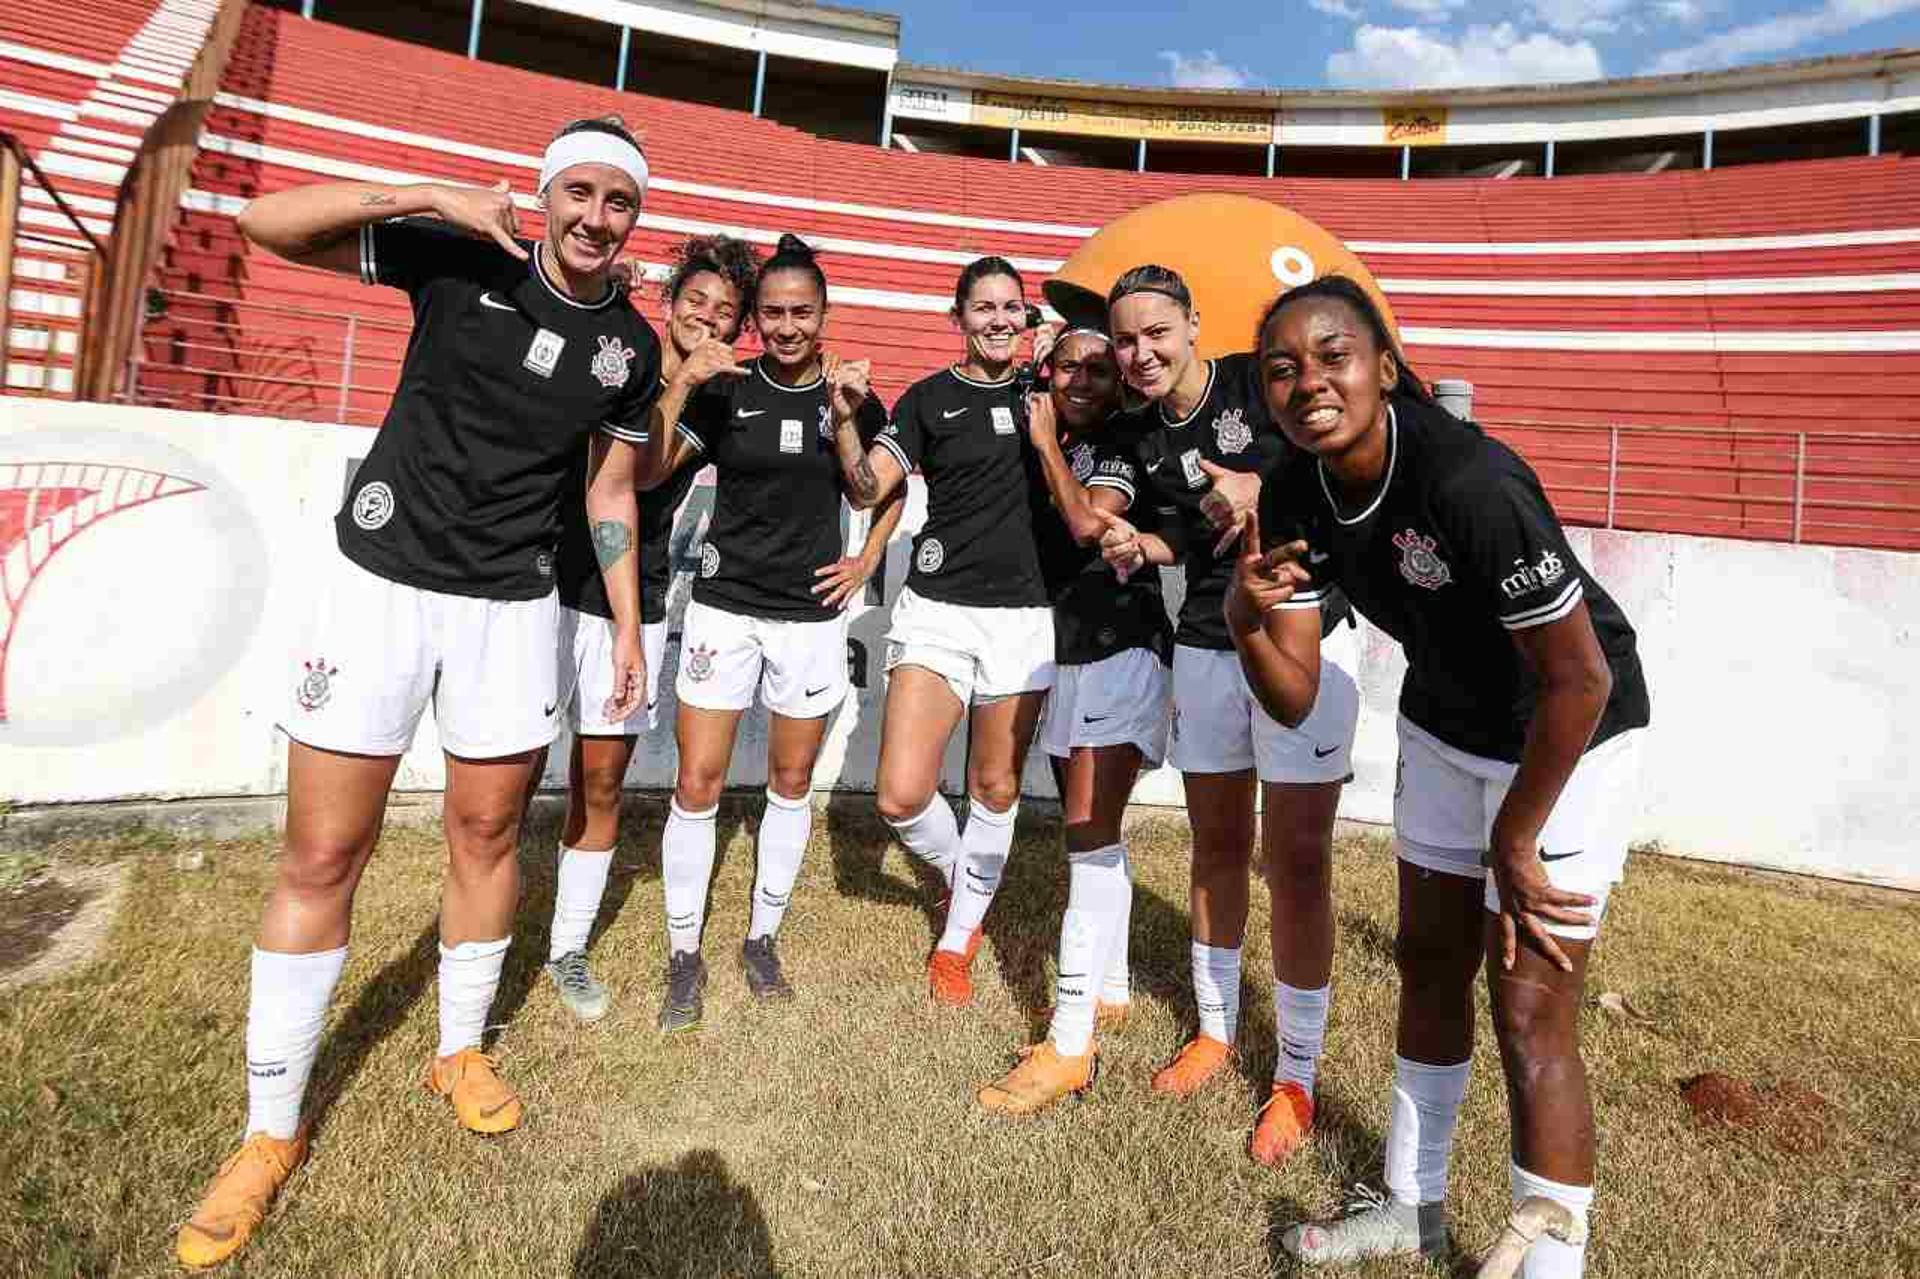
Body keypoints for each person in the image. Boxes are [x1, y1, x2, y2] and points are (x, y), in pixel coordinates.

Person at [176, 117, 660, 1269]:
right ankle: (268, 1130)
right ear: (545, 193)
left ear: (638, 216)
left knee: (488, 832)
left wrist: (631, 624)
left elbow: (611, 491)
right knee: (321, 855)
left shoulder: (631, 349)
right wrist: (429, 192)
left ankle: (457, 1048)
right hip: (377, 587)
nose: (597, 218)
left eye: (620, 202)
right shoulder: (459, 258)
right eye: (579, 192)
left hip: (509, 607)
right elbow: (261, 224)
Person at [1232, 275, 1650, 1275]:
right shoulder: (1293, 488)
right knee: (1427, 962)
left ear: (1385, 365)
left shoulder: (1469, 481)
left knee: (1530, 1005)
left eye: (1333, 356)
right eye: (1283, 368)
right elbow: (1291, 697)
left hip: (1570, 734)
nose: (1309, 383)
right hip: (1445, 724)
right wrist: (1244, 616)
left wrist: (1516, 833)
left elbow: (1579, 675)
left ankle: (1550, 1267)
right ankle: (1410, 1209)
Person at [1095, 264, 1360, 1167]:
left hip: (1301, 623)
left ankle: (1295, 1073)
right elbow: (1184, 531)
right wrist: (1145, 540)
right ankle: (1214, 1030)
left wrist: (1257, 483)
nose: (1141, 355)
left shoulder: (1261, 376)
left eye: (1157, 333)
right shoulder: (1137, 430)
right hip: (1207, 639)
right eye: (1126, 340)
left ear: (1194, 324)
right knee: (1213, 844)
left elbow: (1330, 445)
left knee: (1295, 861)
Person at [641, 233, 901, 1032]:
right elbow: (651, 471)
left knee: (790, 785)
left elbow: (873, 491)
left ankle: (760, 940)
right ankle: (684, 953)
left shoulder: (855, 394)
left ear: (825, 316)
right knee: (698, 784)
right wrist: (683, 382)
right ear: (755, 317)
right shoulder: (726, 388)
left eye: (803, 313)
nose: (787, 326)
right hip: (724, 607)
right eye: (774, 312)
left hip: (811, 621)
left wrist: (865, 560)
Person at [542, 234, 761, 1023]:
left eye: (726, 312)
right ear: (668, 304)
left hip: (629, 599)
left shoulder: (711, 395)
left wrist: (686, 384)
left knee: (599, 779)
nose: (707, 319)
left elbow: (639, 471)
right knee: (508, 770)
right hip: (535, 578)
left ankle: (566, 945)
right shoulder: (621, 351)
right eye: (696, 302)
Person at [827, 257, 1056, 1007]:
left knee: (994, 785)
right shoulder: (928, 398)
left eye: (1011, 307)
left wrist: (1067, 359)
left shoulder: (1049, 395)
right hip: (937, 611)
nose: (998, 320)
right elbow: (867, 487)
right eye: (982, 307)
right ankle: (969, 883)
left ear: (1026, 318)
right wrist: (846, 418)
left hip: (1024, 617)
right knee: (900, 793)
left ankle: (957, 940)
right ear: (957, 317)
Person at [975, 324, 1172, 1114]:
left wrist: (1047, 441)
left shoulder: (1122, 438)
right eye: (1069, 366)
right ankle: (1113, 989)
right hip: (1069, 648)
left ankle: (1068, 1045)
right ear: (1046, 371)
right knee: (1093, 833)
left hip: (1121, 646)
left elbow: (1091, 522)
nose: (1085, 378)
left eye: (1100, 366)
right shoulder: (1052, 433)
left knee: (1088, 841)